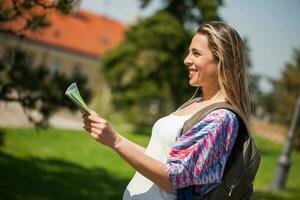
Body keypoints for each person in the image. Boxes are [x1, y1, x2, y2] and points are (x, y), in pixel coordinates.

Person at [82, 21, 251, 200]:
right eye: (189, 52)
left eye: (196, 53)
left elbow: (175, 180)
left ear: (221, 60)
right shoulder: (194, 104)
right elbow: (158, 157)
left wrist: (116, 141)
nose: (186, 60)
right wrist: (111, 137)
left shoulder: (221, 118)